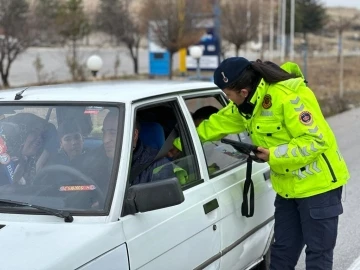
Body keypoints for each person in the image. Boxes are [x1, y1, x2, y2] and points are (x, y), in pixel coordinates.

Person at [174, 57, 350, 270]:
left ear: (243, 92)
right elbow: (215, 125)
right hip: (287, 188)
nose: (228, 101)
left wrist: (272, 154)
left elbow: (316, 140)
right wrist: (176, 145)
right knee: (282, 251)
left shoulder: (289, 97)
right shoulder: (244, 107)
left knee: (318, 255)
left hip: (318, 187)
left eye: (228, 95)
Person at [81, 110, 174, 193]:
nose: (105, 140)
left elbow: (157, 205)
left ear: (134, 135)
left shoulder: (159, 166)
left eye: (113, 133)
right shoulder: (93, 159)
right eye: (104, 132)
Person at [0, 113, 52, 185]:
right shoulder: (3, 162)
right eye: (34, 133)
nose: (39, 139)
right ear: (22, 135)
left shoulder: (42, 164)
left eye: (42, 136)